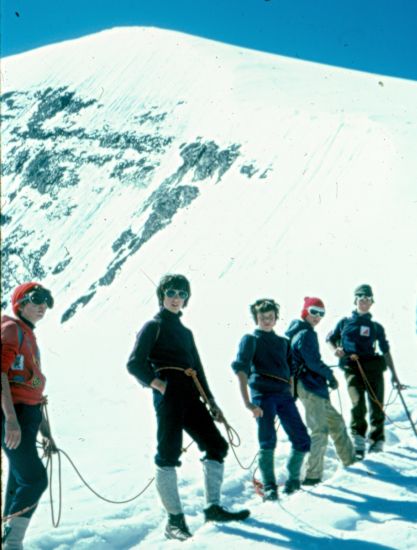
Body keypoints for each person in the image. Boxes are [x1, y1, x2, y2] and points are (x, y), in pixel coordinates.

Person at [127, 274, 249, 541]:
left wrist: (212, 403)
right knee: (168, 453)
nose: (176, 298)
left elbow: (199, 370)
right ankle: (174, 522)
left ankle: (213, 508)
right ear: (162, 295)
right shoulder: (153, 326)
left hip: (191, 394)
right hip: (169, 393)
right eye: (171, 292)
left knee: (216, 445)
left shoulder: (185, 332)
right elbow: (134, 363)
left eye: (182, 294)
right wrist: (159, 385)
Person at [231, 298, 311, 501]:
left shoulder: (284, 343)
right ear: (256, 318)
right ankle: (269, 487)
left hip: (284, 396)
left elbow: (291, 370)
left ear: (276, 318)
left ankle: (293, 481)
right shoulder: (251, 340)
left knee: (302, 439)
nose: (267, 321)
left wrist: (292, 393)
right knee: (267, 441)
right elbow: (241, 370)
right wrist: (248, 403)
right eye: (262, 317)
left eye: (270, 317)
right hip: (263, 396)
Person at [1, 282, 56, 549]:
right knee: (34, 479)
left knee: (19, 480)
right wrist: (10, 419)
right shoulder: (12, 330)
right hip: (15, 416)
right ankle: (12, 545)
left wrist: (46, 432)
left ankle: (7, 540)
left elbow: (33, 390)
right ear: (20, 303)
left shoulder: (27, 335)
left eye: (47, 301)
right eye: (36, 300)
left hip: (26, 416)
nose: (43, 306)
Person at [285, 297, 355, 486]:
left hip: (309, 386)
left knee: (336, 423)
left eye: (321, 313)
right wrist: (330, 375)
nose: (317, 317)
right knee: (320, 430)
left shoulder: (298, 331)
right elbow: (312, 362)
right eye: (314, 311)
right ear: (305, 311)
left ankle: (351, 463)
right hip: (310, 385)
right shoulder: (306, 334)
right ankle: (312, 476)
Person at [326, 284, 400, 459]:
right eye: (361, 299)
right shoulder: (344, 323)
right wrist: (335, 349)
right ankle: (358, 441)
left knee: (377, 405)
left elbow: (385, 351)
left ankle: (377, 442)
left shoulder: (376, 327)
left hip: (373, 368)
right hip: (352, 369)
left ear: (372, 302)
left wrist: (394, 376)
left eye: (367, 300)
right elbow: (330, 339)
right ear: (355, 300)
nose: (364, 303)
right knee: (357, 403)